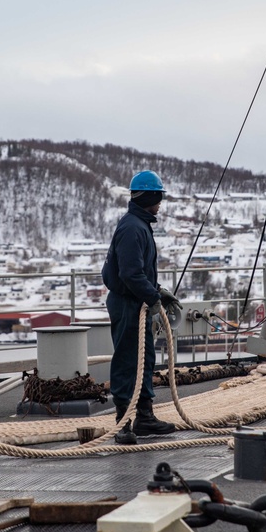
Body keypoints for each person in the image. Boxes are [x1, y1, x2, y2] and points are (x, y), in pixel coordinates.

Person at [102, 170, 183, 445]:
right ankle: (123, 422)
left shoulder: (139, 225)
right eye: (158, 196)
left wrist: (156, 292)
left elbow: (137, 273)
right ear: (149, 195)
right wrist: (153, 296)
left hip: (137, 302)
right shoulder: (132, 228)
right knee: (127, 361)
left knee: (145, 359)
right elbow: (130, 274)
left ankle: (145, 417)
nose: (160, 202)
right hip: (127, 304)